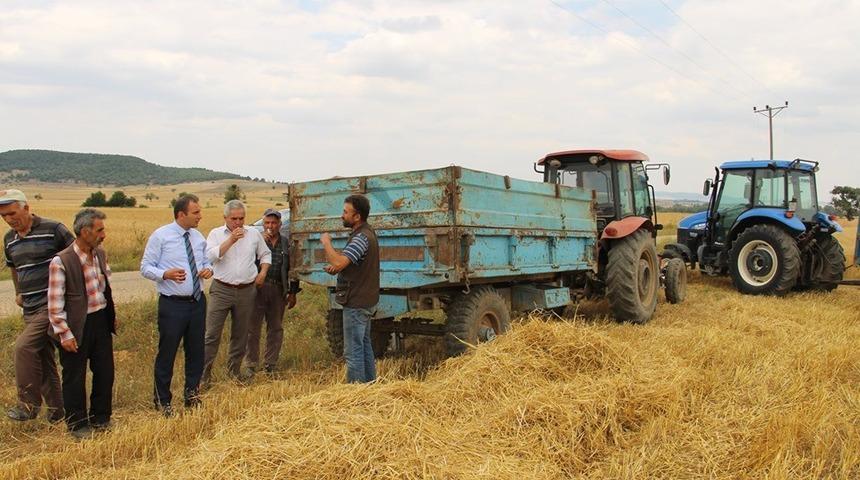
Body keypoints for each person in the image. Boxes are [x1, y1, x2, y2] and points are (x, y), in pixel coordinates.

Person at [1, 189, 72, 423]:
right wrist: (18, 292)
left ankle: (28, 405)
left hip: (51, 305)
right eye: (3, 216)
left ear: (26, 207)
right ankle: (57, 414)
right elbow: (14, 268)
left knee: (23, 348)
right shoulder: (9, 239)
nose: (9, 219)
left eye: (12, 213)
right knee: (43, 361)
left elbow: (77, 257)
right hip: (29, 308)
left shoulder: (54, 229)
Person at [140, 194, 213, 417]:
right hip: (173, 305)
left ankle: (192, 395)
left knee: (196, 351)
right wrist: (165, 274)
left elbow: (206, 260)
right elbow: (145, 267)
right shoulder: (161, 236)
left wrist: (208, 269)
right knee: (168, 352)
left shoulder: (198, 237)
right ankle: (163, 400)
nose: (200, 216)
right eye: (196, 212)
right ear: (181, 214)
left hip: (197, 302)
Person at [47, 208, 115, 439]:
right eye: (100, 230)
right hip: (76, 324)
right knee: (74, 377)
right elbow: (55, 302)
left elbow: (105, 288)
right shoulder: (61, 261)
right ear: (85, 232)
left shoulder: (99, 254)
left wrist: (111, 315)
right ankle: (77, 425)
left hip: (100, 320)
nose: (103, 235)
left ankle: (101, 418)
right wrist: (63, 333)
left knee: (105, 372)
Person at [202, 200, 271, 385]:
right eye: (234, 219)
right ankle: (203, 377)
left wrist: (263, 272)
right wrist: (231, 240)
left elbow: (265, 254)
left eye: (241, 218)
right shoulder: (216, 234)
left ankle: (233, 374)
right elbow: (209, 256)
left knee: (241, 334)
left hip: (246, 290)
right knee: (211, 334)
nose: (238, 222)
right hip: (222, 289)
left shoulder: (253, 234)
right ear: (225, 218)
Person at [320, 194, 380, 383]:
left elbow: (338, 262)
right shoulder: (368, 233)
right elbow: (348, 263)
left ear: (357, 217)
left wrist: (326, 243)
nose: (342, 215)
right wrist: (338, 267)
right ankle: (370, 386)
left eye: (346, 212)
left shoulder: (361, 238)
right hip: (366, 300)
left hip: (356, 302)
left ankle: (356, 391)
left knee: (353, 352)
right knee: (364, 346)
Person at [243, 208, 300, 374]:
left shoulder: (286, 243)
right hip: (257, 289)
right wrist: (258, 242)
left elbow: (293, 268)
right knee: (253, 328)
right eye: (267, 223)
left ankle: (270, 364)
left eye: (274, 223)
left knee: (275, 328)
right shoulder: (255, 241)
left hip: (278, 288)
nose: (270, 226)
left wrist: (292, 292)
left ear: (280, 225)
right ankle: (251, 365)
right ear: (263, 224)